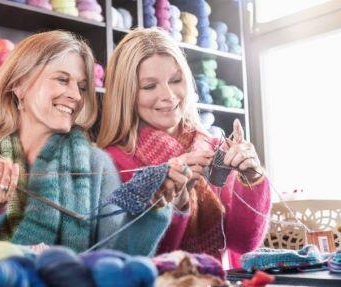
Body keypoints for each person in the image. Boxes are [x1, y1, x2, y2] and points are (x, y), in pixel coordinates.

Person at [0, 31, 188, 256]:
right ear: (19, 85)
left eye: (82, 87)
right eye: (62, 79)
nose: (75, 95)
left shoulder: (97, 164)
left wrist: (154, 208)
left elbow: (118, 262)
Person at [97, 28, 271, 265]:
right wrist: (177, 203)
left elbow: (244, 243)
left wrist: (253, 179)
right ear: (126, 94)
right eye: (149, 86)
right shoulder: (110, 163)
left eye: (176, 80)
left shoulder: (214, 148)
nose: (168, 95)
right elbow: (127, 261)